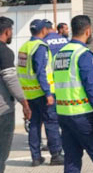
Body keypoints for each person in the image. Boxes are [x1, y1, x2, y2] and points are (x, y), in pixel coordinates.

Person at [54, 15, 93, 173]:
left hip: (63, 114)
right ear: (88, 31)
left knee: (72, 159)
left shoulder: (60, 54)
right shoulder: (83, 54)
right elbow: (91, 87)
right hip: (83, 115)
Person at [17, 19, 63, 166]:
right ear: (44, 30)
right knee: (51, 123)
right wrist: (48, 93)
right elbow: (40, 72)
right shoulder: (40, 46)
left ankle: (36, 157)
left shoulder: (25, 46)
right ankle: (56, 155)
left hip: (29, 94)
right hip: (42, 93)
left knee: (34, 124)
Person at [0, 16, 32, 173]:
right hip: (2, 111)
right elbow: (11, 80)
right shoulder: (4, 51)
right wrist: (25, 104)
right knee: (1, 153)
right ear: (7, 31)